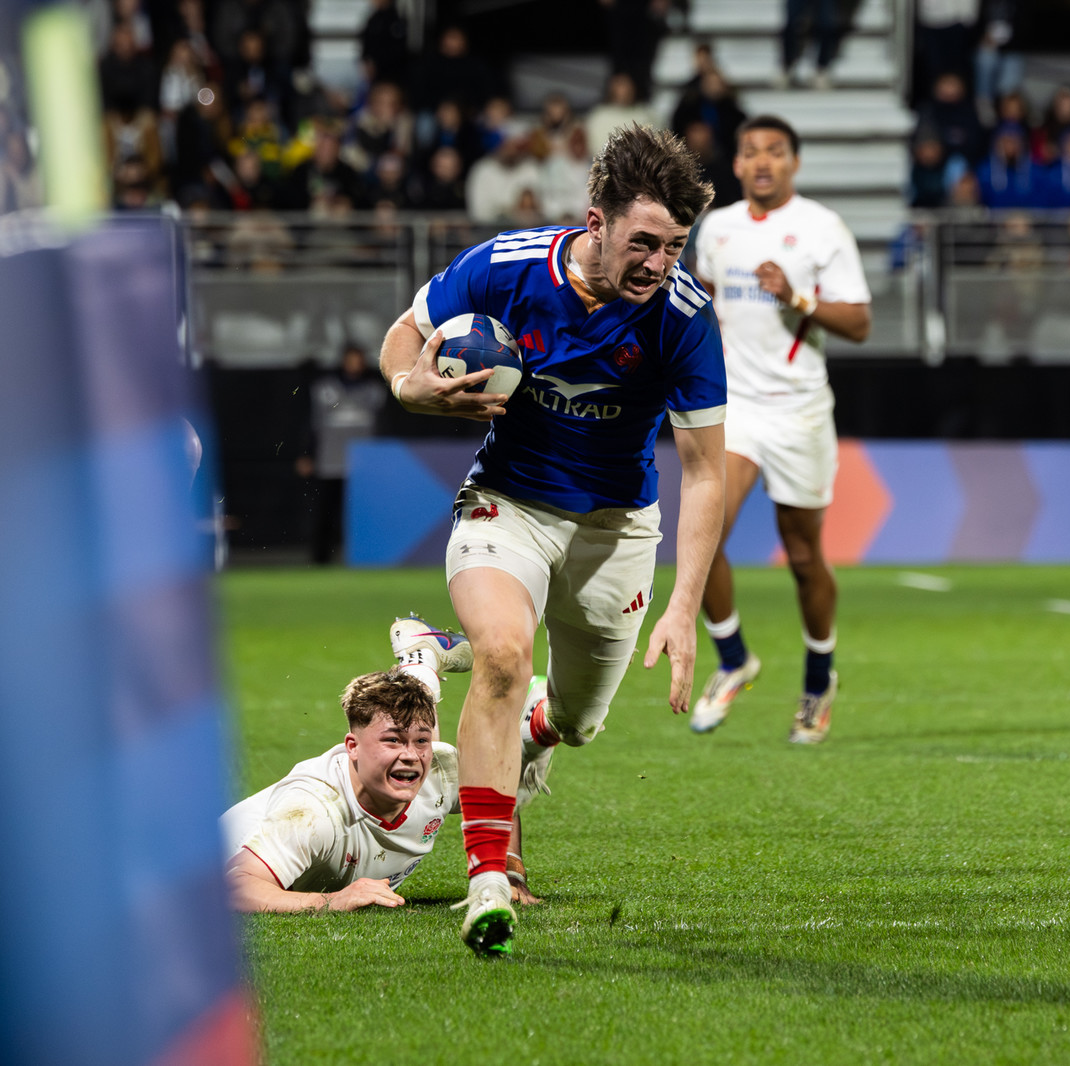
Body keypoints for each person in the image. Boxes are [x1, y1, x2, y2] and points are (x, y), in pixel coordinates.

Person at [379, 124, 726, 955]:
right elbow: (403, 337)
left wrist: (684, 607)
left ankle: (494, 689)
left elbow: (707, 472)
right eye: (644, 242)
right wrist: (413, 388)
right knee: (504, 653)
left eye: (675, 246)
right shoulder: (506, 268)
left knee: (575, 721)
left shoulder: (683, 317)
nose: (658, 264)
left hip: (617, 529)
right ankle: (488, 880)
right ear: (595, 218)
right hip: (510, 502)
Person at [687, 115, 871, 743]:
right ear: (735, 165)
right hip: (736, 407)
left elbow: (860, 324)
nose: (762, 162)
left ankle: (819, 680)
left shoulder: (822, 229)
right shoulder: (718, 228)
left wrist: (799, 299)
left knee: (802, 556)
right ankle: (734, 659)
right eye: (750, 152)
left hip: (799, 411)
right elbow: (701, 308)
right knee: (704, 534)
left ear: (794, 162)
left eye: (774, 151)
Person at [222, 651, 551, 913]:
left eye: (421, 741)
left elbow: (496, 793)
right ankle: (420, 663)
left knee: (434, 757)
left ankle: (421, 664)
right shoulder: (312, 811)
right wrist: (331, 901)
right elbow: (234, 888)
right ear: (352, 747)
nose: (411, 755)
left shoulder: (441, 767)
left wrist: (509, 874)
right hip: (198, 867)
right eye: (392, 740)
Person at [297, 344, 387, 564]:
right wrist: (306, 454)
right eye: (351, 359)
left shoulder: (374, 390)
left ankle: (365, 557)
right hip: (331, 461)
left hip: (363, 464)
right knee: (325, 513)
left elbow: (384, 426)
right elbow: (311, 423)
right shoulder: (324, 389)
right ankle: (320, 559)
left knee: (362, 516)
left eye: (358, 359)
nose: (354, 364)